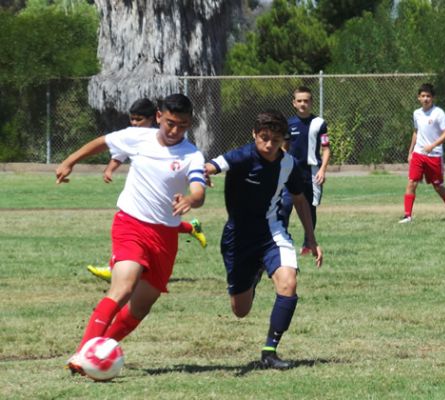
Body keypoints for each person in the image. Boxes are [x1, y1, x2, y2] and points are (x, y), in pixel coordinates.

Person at [55, 93, 206, 375]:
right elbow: (103, 142)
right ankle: (83, 353)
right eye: (171, 123)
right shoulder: (139, 137)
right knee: (123, 286)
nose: (175, 131)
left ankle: (100, 353)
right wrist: (70, 161)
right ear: (159, 117)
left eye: (183, 125)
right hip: (131, 224)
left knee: (140, 307)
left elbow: (198, 189)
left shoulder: (192, 155)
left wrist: (191, 199)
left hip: (165, 237)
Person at [204, 110, 323, 370]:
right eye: (264, 138)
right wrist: (204, 173)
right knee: (240, 310)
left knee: (288, 283)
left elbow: (300, 199)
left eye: (276, 139)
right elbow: (214, 165)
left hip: (272, 232)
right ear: (255, 135)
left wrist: (310, 238)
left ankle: (270, 350)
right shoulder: (243, 155)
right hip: (237, 238)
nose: (269, 145)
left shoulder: (288, 164)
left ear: (283, 140)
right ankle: (254, 274)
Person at [87, 98, 206, 283]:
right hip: (136, 216)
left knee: (161, 218)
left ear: (154, 118)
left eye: (138, 120)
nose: (134, 123)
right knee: (135, 227)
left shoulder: (188, 152)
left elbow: (196, 181)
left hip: (166, 217)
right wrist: (110, 169)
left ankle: (191, 227)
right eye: (132, 119)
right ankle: (116, 266)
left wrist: (193, 193)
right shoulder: (137, 138)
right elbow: (117, 151)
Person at [281, 86, 330, 255]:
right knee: (284, 207)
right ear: (294, 103)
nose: (303, 104)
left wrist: (322, 169)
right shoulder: (288, 124)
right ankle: (283, 241)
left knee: (309, 209)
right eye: (299, 100)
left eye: (306, 100)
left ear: (311, 102)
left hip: (311, 173)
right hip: (290, 172)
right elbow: (284, 148)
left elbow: (326, 149)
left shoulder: (319, 124)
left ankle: (308, 244)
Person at [399, 83, 445, 223]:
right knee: (412, 183)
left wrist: (433, 145)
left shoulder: (439, 113)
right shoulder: (416, 113)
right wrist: (411, 151)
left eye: (428, 96)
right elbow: (416, 132)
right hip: (419, 154)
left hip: (434, 156)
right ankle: (407, 215)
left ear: (433, 98)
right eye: (423, 96)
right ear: (418, 98)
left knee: (437, 186)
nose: (425, 99)